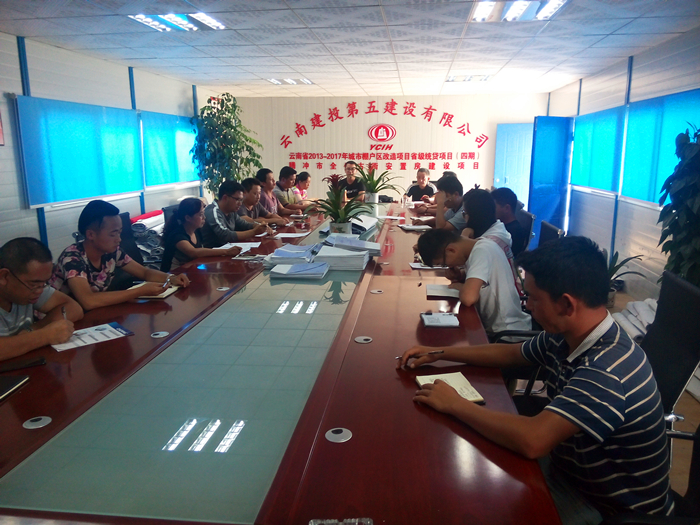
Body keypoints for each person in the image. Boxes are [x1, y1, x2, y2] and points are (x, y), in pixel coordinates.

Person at [398, 236, 673, 521]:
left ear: (566, 304)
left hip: (607, 509)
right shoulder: (569, 334)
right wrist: (440, 353)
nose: (527, 305)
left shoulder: (607, 370)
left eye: (533, 298)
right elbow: (511, 353)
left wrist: (455, 404)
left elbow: (533, 440)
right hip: (569, 471)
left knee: (472, 503)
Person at [50, 200, 190, 310]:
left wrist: (171, 278)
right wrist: (139, 291)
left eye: (119, 232)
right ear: (90, 234)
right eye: (113, 234)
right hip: (63, 321)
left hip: (98, 314)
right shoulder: (72, 258)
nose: (119, 239)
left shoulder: (112, 252)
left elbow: (144, 272)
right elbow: (88, 300)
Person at [415, 228, 531, 335]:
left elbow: (468, 298)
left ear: (451, 250)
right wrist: (460, 276)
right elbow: (484, 280)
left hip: (506, 333)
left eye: (443, 264)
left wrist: (461, 287)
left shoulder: (481, 252)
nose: (448, 266)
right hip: (494, 327)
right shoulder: (481, 244)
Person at [0, 238, 83, 361]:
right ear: (4, 276)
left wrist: (33, 329)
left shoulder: (29, 288)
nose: (39, 291)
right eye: (34, 284)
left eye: (44, 283)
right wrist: (45, 335)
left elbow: (74, 308)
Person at [161, 197, 242, 272]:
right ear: (188, 218)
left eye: (203, 214)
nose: (204, 218)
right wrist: (226, 251)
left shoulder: (197, 231)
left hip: (190, 270)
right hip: (172, 275)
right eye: (200, 215)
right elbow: (194, 253)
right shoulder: (177, 235)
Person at [201, 180, 272, 248]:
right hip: (214, 253)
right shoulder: (213, 211)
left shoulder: (231, 211)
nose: (240, 204)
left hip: (229, 250)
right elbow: (225, 234)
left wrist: (259, 226)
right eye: (237, 200)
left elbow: (244, 224)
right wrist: (254, 232)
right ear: (225, 198)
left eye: (241, 200)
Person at [492, 187, 527, 256]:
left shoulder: (512, 234)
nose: (491, 210)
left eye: (493, 207)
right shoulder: (502, 226)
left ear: (507, 208)